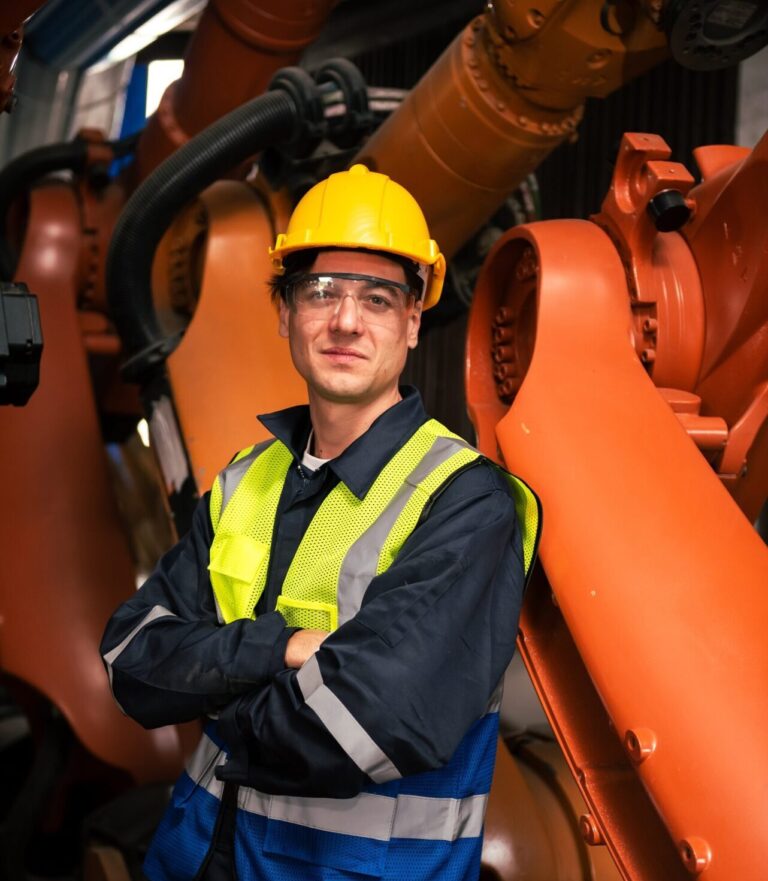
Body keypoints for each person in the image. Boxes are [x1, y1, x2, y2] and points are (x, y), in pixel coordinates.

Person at [101, 164, 540, 881]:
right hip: (191, 858)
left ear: (412, 320)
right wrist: (281, 648)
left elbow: (361, 724)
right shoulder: (248, 477)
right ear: (283, 312)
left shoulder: (464, 501)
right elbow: (131, 661)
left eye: (377, 297)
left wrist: (212, 680)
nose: (345, 320)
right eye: (321, 292)